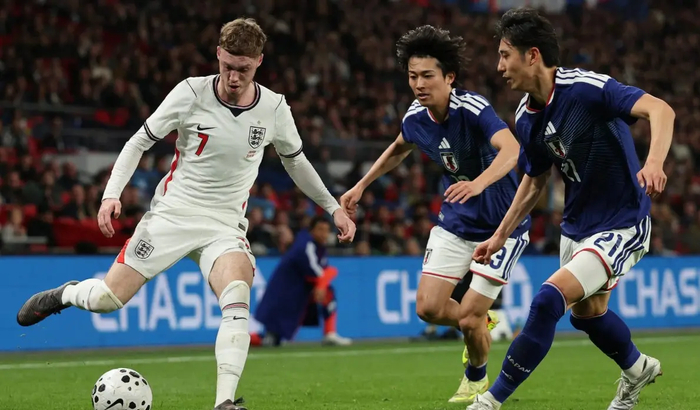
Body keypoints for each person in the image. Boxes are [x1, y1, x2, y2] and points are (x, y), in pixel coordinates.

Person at [16, 18, 356, 410]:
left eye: (243, 69)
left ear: (259, 62)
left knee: (237, 295)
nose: (233, 77)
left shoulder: (274, 108)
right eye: (227, 66)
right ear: (218, 54)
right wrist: (111, 194)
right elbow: (139, 141)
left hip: (225, 225)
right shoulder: (190, 92)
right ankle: (65, 293)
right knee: (108, 299)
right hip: (172, 216)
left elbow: (296, 162)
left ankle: (225, 402)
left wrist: (333, 207)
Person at [467, 8, 673, 410]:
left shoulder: (585, 89)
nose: (499, 67)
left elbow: (660, 109)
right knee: (587, 314)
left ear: (532, 55)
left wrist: (654, 162)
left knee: (548, 300)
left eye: (505, 55)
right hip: (577, 227)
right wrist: (499, 235)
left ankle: (490, 401)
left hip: (623, 221)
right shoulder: (525, 117)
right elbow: (535, 180)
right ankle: (638, 369)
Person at [340, 25, 531, 404]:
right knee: (428, 308)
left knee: (468, 317)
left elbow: (512, 150)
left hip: (501, 226)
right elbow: (399, 147)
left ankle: (476, 377)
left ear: (450, 77)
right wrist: (361, 185)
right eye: (413, 76)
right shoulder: (415, 116)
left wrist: (477, 183)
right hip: (457, 223)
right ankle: (482, 322)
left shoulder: (473, 109)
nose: (418, 84)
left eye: (427, 75)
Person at [254, 216, 352, 347]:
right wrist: (328, 277)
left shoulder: (317, 246)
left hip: (295, 294)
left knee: (328, 292)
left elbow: (321, 272)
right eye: (320, 229)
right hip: (284, 295)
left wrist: (323, 282)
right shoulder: (306, 245)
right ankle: (239, 340)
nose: (323, 234)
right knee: (271, 339)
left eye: (326, 230)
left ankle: (330, 333)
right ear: (312, 230)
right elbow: (318, 272)